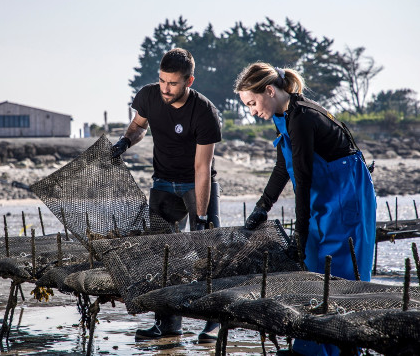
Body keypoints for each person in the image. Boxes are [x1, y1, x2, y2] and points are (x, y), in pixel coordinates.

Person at [235, 62, 376, 356]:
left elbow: (303, 180)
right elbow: (281, 166)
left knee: (340, 274)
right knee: (312, 265)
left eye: (251, 102)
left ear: (269, 91)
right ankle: (311, 349)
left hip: (347, 194)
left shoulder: (302, 117)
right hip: (323, 195)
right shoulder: (282, 115)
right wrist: (263, 206)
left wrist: (299, 233)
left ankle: (343, 348)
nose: (251, 111)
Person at [112, 48, 222, 343]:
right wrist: (124, 143)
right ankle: (168, 324)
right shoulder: (149, 96)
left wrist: (200, 215)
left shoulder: (204, 111)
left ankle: (214, 322)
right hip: (162, 183)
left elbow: (202, 168)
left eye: (172, 83)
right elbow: (138, 126)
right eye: (162, 81)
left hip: (196, 184)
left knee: (207, 253)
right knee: (162, 255)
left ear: (189, 80)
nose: (166, 89)